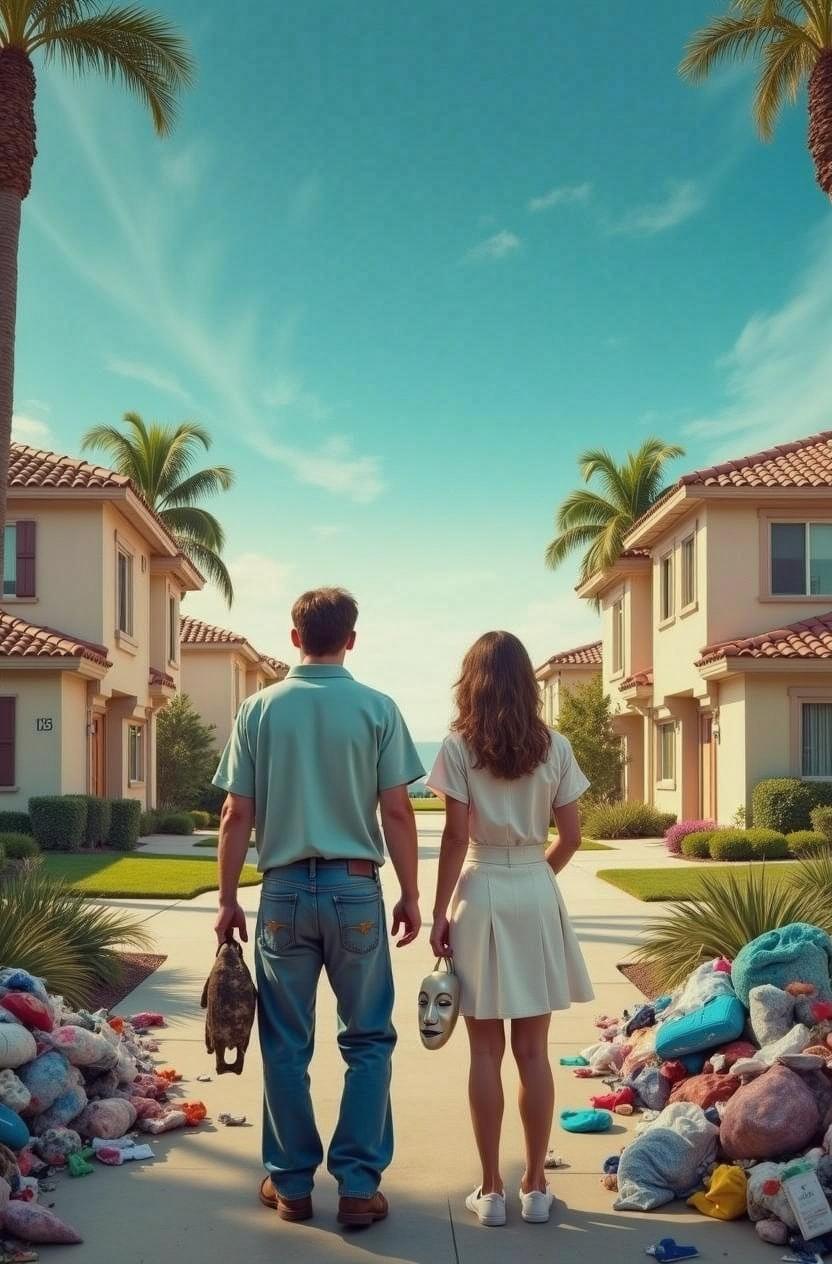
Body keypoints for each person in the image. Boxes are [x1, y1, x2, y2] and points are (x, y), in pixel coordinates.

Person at [212, 587, 425, 1228]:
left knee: (285, 1043)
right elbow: (395, 809)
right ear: (351, 638)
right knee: (366, 1041)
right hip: (355, 889)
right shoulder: (377, 708)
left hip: (281, 894)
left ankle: (292, 1184)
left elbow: (236, 813)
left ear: (294, 635)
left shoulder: (258, 710)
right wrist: (411, 894)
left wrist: (227, 899)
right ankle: (358, 1188)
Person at [427, 630, 593, 1228]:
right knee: (533, 1053)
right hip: (534, 888)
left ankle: (492, 1191)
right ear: (527, 682)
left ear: (471, 682)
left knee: (485, 1051)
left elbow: (453, 836)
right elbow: (570, 836)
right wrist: (535, 877)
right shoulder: (557, 747)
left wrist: (440, 911)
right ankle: (537, 1186)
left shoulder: (458, 747)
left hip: (479, 891)